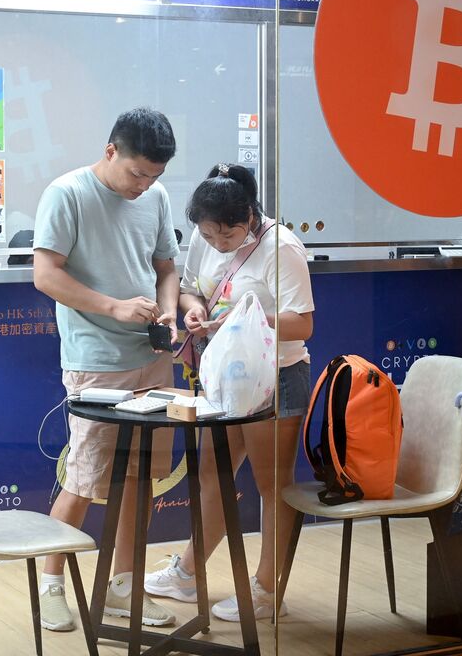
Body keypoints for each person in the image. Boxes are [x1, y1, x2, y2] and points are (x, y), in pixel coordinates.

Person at [143, 163, 315, 621]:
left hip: (276, 375)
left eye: (229, 235)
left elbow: (303, 323)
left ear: (251, 216)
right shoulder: (203, 237)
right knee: (210, 475)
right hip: (225, 376)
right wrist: (196, 311)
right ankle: (189, 572)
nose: (219, 243)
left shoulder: (282, 247)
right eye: (210, 235)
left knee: (270, 485)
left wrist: (245, 319)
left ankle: (264, 588)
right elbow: (189, 289)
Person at [31, 107, 181, 631]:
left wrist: (166, 307)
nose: (144, 185)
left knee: (141, 480)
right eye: (137, 173)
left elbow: (166, 268)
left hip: (153, 357)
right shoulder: (67, 193)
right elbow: (46, 276)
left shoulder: (156, 198)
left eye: (155, 176)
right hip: (96, 361)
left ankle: (123, 585)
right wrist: (113, 306)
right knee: (84, 478)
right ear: (110, 150)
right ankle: (51, 584)